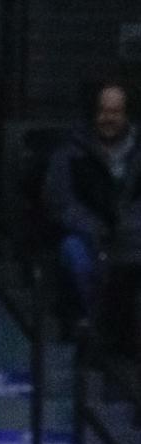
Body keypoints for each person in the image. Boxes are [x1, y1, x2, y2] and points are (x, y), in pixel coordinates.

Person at [43, 80, 141, 344]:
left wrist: (126, 226)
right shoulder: (69, 152)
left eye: (115, 111)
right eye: (103, 111)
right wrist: (94, 227)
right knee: (76, 255)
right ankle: (95, 329)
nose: (108, 118)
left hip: (132, 238)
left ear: (126, 114)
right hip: (86, 236)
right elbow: (59, 202)